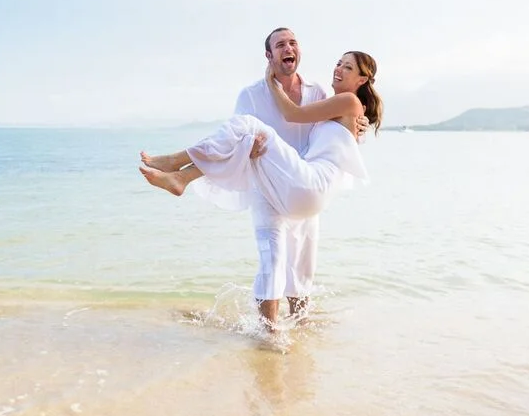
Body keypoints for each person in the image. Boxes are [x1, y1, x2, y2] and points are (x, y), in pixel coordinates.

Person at [140, 47, 383, 331]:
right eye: (338, 63)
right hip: (303, 187)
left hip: (310, 182)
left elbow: (293, 114)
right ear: (269, 54)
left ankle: (177, 165)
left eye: (348, 68)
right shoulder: (340, 106)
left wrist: (272, 83)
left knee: (248, 125)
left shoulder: (348, 102)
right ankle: (285, 328)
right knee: (281, 257)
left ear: (363, 80)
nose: (338, 69)